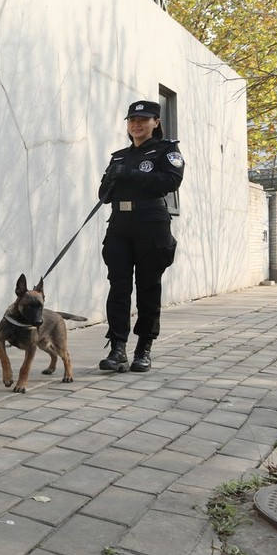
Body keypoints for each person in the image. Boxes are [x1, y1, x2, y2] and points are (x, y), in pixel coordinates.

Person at [97, 100, 184, 373]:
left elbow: (171, 182)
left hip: (151, 224)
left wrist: (133, 175)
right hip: (120, 226)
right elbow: (103, 194)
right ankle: (117, 348)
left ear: (156, 122)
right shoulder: (119, 156)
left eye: (143, 120)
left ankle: (144, 348)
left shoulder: (166, 150)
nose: (136, 124)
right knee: (118, 288)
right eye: (132, 120)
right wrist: (112, 181)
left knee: (148, 287)